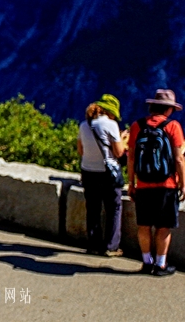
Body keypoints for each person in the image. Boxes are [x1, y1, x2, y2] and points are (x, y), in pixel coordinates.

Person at [127, 89, 185, 276]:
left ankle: (147, 262)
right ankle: (161, 265)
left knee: (144, 225)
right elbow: (179, 159)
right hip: (166, 185)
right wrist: (183, 184)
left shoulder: (137, 126)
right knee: (164, 227)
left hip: (144, 184)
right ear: (169, 109)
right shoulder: (172, 127)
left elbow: (131, 158)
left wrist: (132, 183)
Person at [77, 94, 126, 257]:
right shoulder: (111, 125)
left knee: (93, 209)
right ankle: (111, 246)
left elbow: (80, 150)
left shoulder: (84, 125)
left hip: (88, 171)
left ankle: (93, 244)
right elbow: (118, 152)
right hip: (106, 173)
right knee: (114, 208)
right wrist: (123, 139)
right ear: (109, 112)